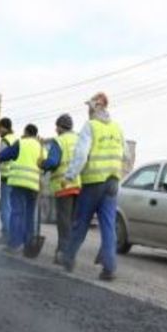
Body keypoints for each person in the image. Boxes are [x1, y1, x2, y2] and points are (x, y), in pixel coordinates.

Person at [60, 92, 125, 281]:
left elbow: (81, 155)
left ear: (96, 107)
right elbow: (126, 155)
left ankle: (69, 258)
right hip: (112, 182)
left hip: (93, 182)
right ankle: (109, 268)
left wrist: (70, 176)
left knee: (80, 223)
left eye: (90, 106)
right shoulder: (117, 128)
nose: (88, 110)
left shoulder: (90, 126)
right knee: (108, 225)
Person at [0, 123, 51, 255]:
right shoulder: (41, 147)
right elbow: (47, 165)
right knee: (29, 215)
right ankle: (28, 244)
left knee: (17, 213)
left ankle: (14, 244)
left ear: (26, 132)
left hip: (19, 183)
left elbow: (3, 155)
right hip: (34, 186)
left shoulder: (21, 143)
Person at [42, 113, 81, 265]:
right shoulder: (78, 139)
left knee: (64, 222)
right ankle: (63, 251)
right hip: (77, 185)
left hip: (64, 186)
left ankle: (65, 254)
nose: (55, 129)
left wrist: (42, 164)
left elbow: (52, 162)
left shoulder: (59, 140)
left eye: (56, 126)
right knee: (71, 222)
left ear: (59, 127)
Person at [0, 117, 17, 245]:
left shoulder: (5, 140)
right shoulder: (16, 139)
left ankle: (6, 234)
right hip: (15, 177)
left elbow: (0, 158)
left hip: (6, 177)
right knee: (12, 207)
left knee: (4, 206)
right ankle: (12, 234)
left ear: (4, 127)